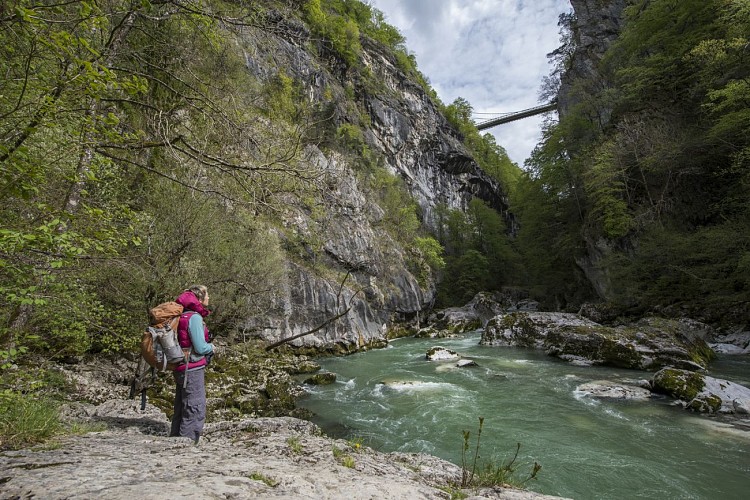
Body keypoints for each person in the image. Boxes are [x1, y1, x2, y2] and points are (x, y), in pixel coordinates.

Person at [170, 285, 214, 443]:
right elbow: (200, 347)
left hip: (181, 366)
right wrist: (213, 347)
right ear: (199, 298)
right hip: (192, 368)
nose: (209, 297)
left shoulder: (181, 315)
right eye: (206, 294)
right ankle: (187, 445)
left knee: (181, 408)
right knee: (195, 408)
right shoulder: (194, 317)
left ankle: (174, 440)